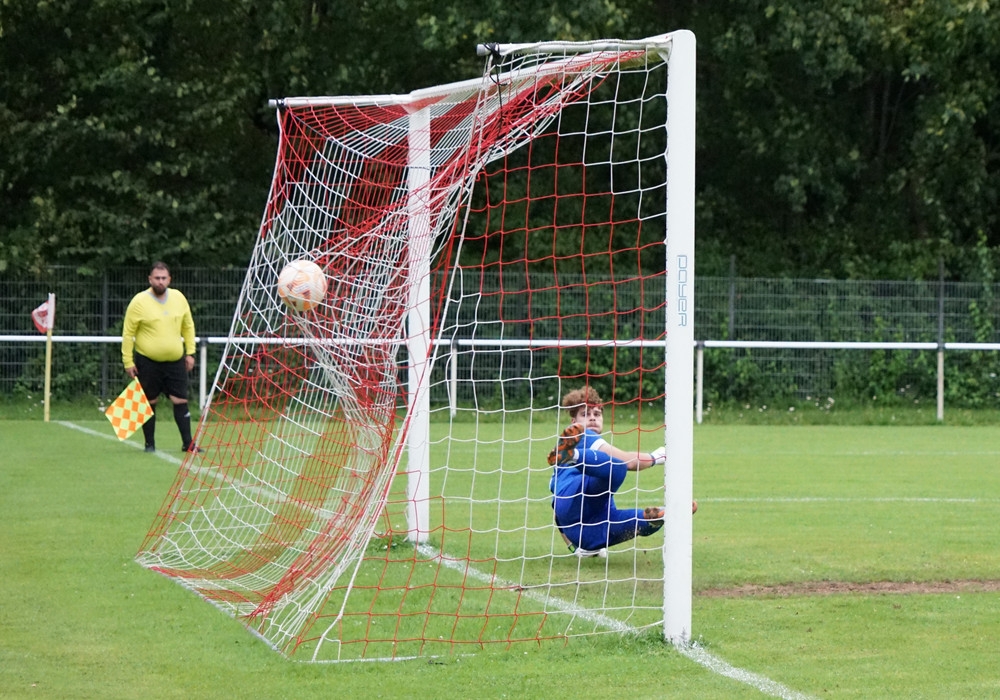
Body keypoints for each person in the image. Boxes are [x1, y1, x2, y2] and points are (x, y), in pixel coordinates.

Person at [547, 386, 696, 558]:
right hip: (577, 497)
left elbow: (557, 511)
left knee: (634, 521)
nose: (592, 418)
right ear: (574, 422)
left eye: (597, 414)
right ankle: (576, 456)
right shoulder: (581, 435)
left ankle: (661, 516)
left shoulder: (563, 472)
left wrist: (573, 548)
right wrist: (657, 456)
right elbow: (629, 462)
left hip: (583, 533)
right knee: (618, 467)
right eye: (585, 414)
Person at [121, 262, 201, 453]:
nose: (160, 282)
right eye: (156, 278)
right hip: (148, 361)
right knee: (149, 401)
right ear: (150, 279)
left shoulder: (179, 298)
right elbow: (128, 333)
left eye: (164, 278)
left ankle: (188, 444)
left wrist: (190, 352)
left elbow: (188, 327)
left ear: (169, 279)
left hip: (175, 361)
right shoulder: (139, 301)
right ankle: (149, 444)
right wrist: (128, 361)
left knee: (180, 400)